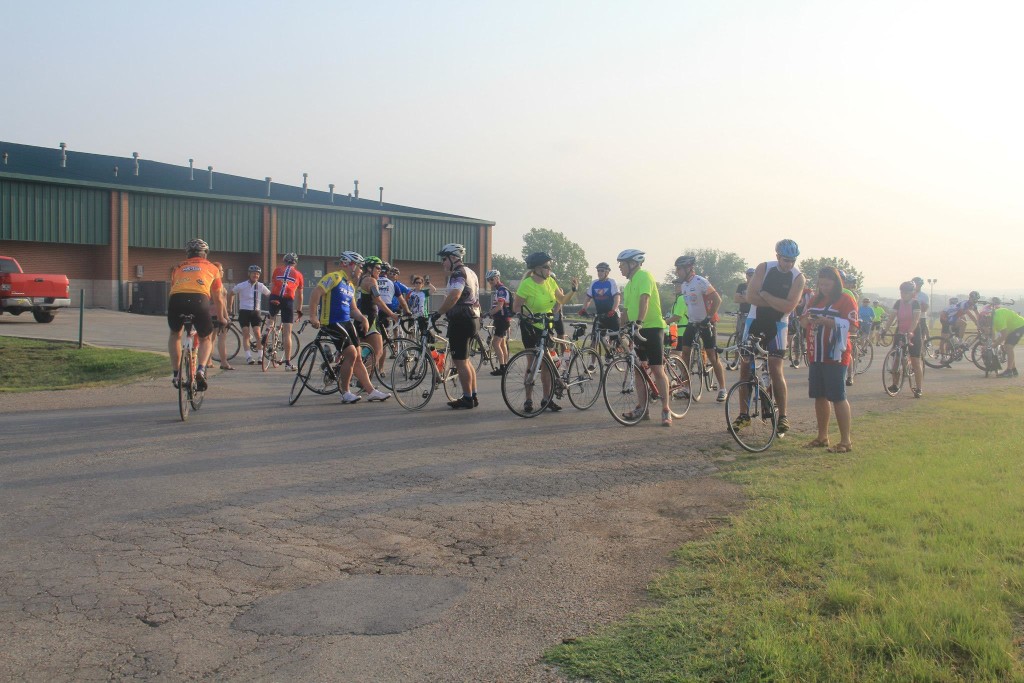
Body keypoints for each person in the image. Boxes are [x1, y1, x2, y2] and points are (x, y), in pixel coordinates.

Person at [737, 239, 807, 434]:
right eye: (786, 260)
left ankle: (783, 416)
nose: (789, 264)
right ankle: (743, 414)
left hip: (778, 324)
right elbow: (750, 297)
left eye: (793, 260)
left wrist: (766, 296)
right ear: (777, 257)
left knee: (776, 368)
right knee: (745, 366)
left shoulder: (798, 277)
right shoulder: (763, 268)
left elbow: (788, 307)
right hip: (754, 320)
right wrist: (779, 302)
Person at [307, 251, 390, 403]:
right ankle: (345, 392)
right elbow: (316, 292)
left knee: (358, 355)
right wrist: (312, 316)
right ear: (349, 264)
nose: (360, 270)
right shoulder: (334, 277)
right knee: (351, 354)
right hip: (331, 321)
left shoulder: (350, 284)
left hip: (346, 321)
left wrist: (362, 318)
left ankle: (371, 391)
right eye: (359, 267)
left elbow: (353, 309)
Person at [800, 267, 859, 453]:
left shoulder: (845, 300)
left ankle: (845, 441)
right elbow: (802, 322)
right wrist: (809, 318)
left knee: (838, 396)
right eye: (821, 283)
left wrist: (829, 322)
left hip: (835, 355)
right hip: (816, 353)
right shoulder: (815, 299)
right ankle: (822, 436)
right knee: (819, 395)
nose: (824, 287)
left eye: (827, 283)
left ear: (836, 283)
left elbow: (853, 327)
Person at [512, 251, 579, 412]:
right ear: (537, 268)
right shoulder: (527, 284)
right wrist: (529, 316)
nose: (550, 269)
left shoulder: (550, 282)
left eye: (550, 266)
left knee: (547, 364)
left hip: (546, 325)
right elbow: (516, 307)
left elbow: (561, 300)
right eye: (547, 266)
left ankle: (546, 399)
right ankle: (528, 400)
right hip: (530, 326)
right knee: (532, 363)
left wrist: (573, 290)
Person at [616, 248, 672, 426]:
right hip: (635, 329)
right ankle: (642, 408)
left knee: (657, 369)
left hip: (652, 327)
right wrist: (620, 331)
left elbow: (645, 300)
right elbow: (625, 310)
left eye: (622, 264)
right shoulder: (629, 283)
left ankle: (666, 409)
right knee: (639, 370)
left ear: (633, 264)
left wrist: (639, 321)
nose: (620, 268)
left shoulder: (644, 276)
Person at [167, 239, 227, 390]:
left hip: (176, 300)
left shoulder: (178, 267)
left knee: (175, 334)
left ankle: (176, 374)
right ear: (205, 254)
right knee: (205, 338)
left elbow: (173, 288)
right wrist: (221, 319)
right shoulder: (213, 268)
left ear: (188, 254)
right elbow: (218, 298)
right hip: (199, 300)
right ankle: (200, 369)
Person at [431, 243, 482, 409]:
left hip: (461, 320)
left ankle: (467, 398)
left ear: (454, 258)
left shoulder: (458, 273)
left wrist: (439, 312)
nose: (442, 262)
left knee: (459, 361)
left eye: (444, 259)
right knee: (465, 361)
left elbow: (455, 295)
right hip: (472, 318)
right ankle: (472, 395)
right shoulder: (471, 272)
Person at [673, 254, 726, 401]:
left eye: (679, 269)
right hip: (693, 323)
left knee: (712, 355)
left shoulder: (700, 281)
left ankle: (722, 388)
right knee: (685, 354)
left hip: (707, 322)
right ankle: (686, 387)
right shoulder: (684, 285)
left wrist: (708, 318)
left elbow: (717, 299)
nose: (677, 272)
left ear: (689, 268)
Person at [357, 256, 400, 377]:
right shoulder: (371, 281)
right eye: (378, 267)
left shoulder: (360, 279)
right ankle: (363, 379)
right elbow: (378, 300)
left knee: (360, 349)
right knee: (378, 350)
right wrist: (392, 314)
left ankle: (341, 364)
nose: (380, 270)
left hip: (361, 316)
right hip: (370, 318)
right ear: (369, 268)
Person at [880, 281, 924, 397]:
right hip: (900, 332)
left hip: (914, 333)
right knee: (896, 359)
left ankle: (918, 388)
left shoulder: (915, 304)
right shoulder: (898, 303)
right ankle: (895, 384)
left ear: (912, 293)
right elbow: (891, 318)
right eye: (902, 292)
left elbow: (915, 319)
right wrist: (885, 330)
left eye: (906, 293)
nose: (903, 294)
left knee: (915, 361)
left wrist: (910, 331)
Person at [229, 265, 271, 365]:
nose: (255, 275)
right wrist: (229, 307)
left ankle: (260, 356)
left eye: (257, 274)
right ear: (249, 274)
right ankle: (248, 357)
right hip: (244, 311)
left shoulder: (260, 286)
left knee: (257, 333)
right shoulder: (242, 285)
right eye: (253, 273)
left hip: (255, 312)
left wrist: (273, 307)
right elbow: (231, 293)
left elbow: (270, 295)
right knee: (246, 334)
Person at [269, 253, 304, 370]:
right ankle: (288, 363)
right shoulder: (298, 274)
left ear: (284, 261)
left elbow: (272, 284)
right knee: (287, 332)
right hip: (288, 300)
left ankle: (268, 330)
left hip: (274, 297)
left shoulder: (277, 270)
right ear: (295, 263)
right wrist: (299, 310)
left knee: (272, 320)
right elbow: (300, 295)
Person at [578, 262, 621, 350]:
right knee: (594, 339)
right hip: (600, 314)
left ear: (607, 272)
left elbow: (617, 298)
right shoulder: (594, 283)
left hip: (612, 314)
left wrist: (613, 310)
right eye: (598, 271)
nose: (599, 272)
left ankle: (614, 354)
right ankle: (592, 364)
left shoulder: (611, 282)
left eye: (602, 270)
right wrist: (583, 309)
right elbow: (588, 298)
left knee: (614, 339)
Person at [485, 269, 512, 376]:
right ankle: (505, 366)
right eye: (488, 280)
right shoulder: (499, 290)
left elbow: (500, 306)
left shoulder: (501, 290)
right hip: (503, 320)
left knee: (495, 343)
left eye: (491, 279)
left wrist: (488, 313)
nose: (490, 282)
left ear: (497, 278)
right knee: (502, 344)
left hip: (502, 320)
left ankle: (502, 368)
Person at [210, 262, 234, 370]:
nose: (223, 272)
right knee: (221, 339)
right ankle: (224, 362)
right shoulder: (218, 284)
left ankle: (208, 361)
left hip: (209, 314)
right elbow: (222, 303)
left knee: (211, 339)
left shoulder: (208, 282)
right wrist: (226, 317)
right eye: (221, 270)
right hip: (218, 314)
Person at [991, 297, 1024, 378]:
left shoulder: (997, 318)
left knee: (1009, 347)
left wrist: (995, 345)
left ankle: (1009, 371)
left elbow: (1004, 334)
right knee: (1007, 347)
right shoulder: (992, 319)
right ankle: (1013, 369)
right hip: (1013, 328)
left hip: (1019, 326)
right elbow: (993, 334)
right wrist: (993, 342)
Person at [734, 267, 754, 335]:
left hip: (752, 314)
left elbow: (755, 300)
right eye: (749, 275)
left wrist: (743, 297)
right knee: (739, 333)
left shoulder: (757, 287)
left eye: (753, 275)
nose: (751, 276)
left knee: (749, 333)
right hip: (742, 313)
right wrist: (749, 299)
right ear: (746, 275)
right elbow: (736, 299)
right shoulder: (741, 286)